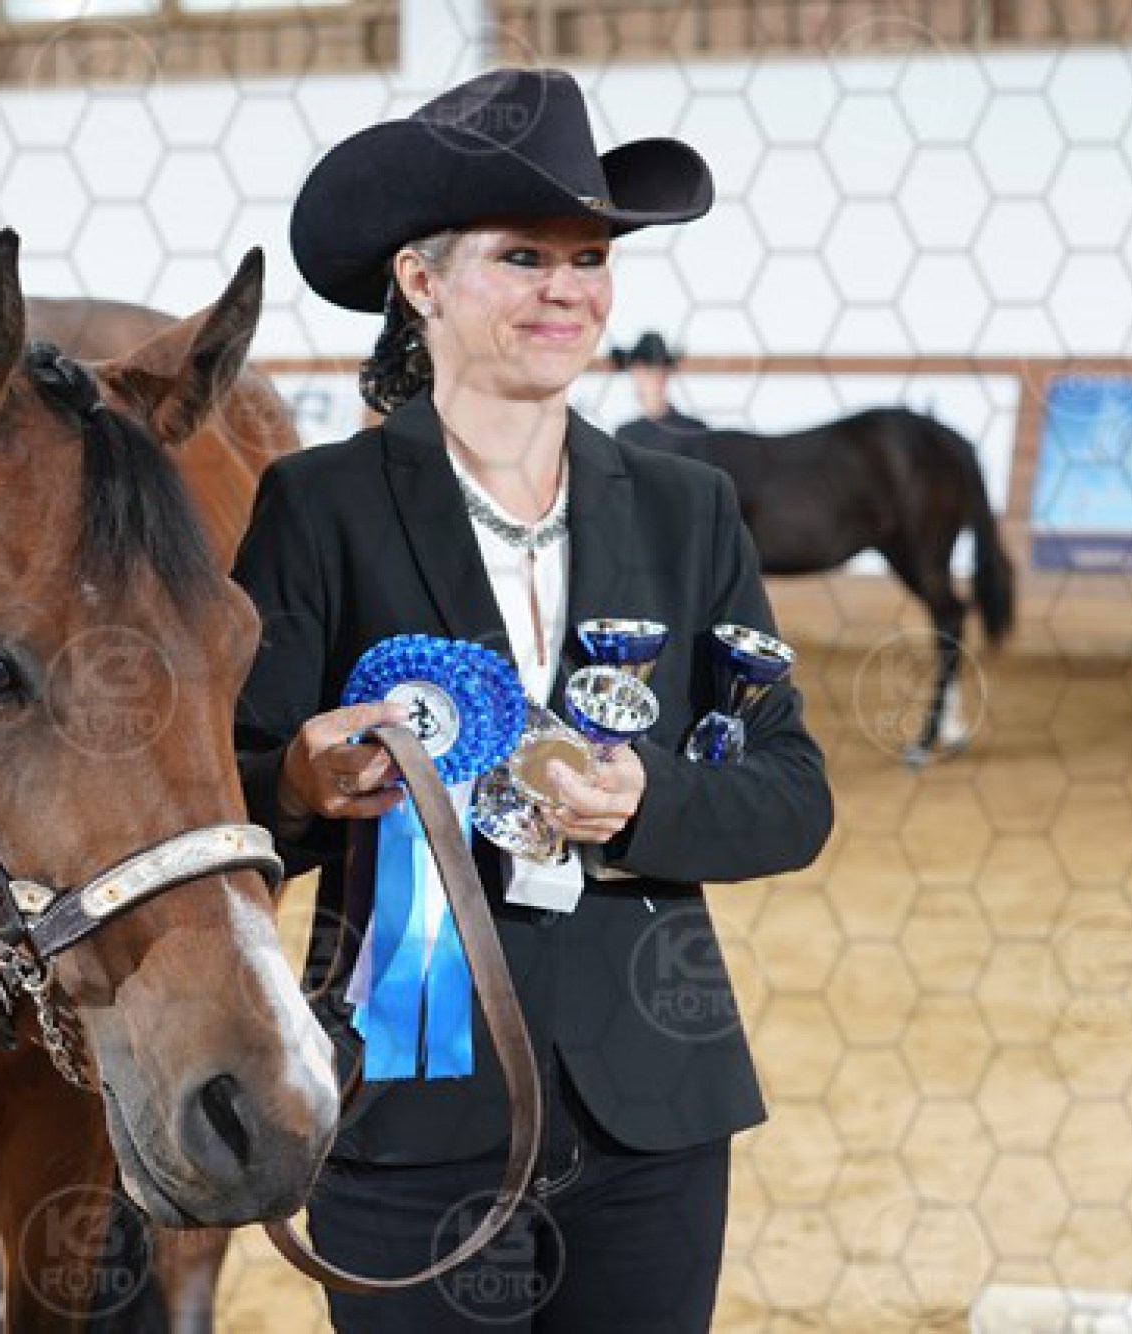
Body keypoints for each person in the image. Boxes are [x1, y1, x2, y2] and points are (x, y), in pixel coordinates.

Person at [231, 68, 834, 1332]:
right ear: (421, 280)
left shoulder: (687, 509)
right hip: (408, 1108)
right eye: (523, 256)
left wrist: (646, 801)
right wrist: (295, 781)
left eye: (587, 257)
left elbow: (791, 797)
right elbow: (218, 801)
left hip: (650, 1114)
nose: (566, 289)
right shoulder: (316, 506)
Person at [610, 331, 710, 459]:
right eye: (648, 368)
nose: (656, 375)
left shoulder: (694, 430)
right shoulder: (625, 435)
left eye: (661, 367)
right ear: (634, 371)